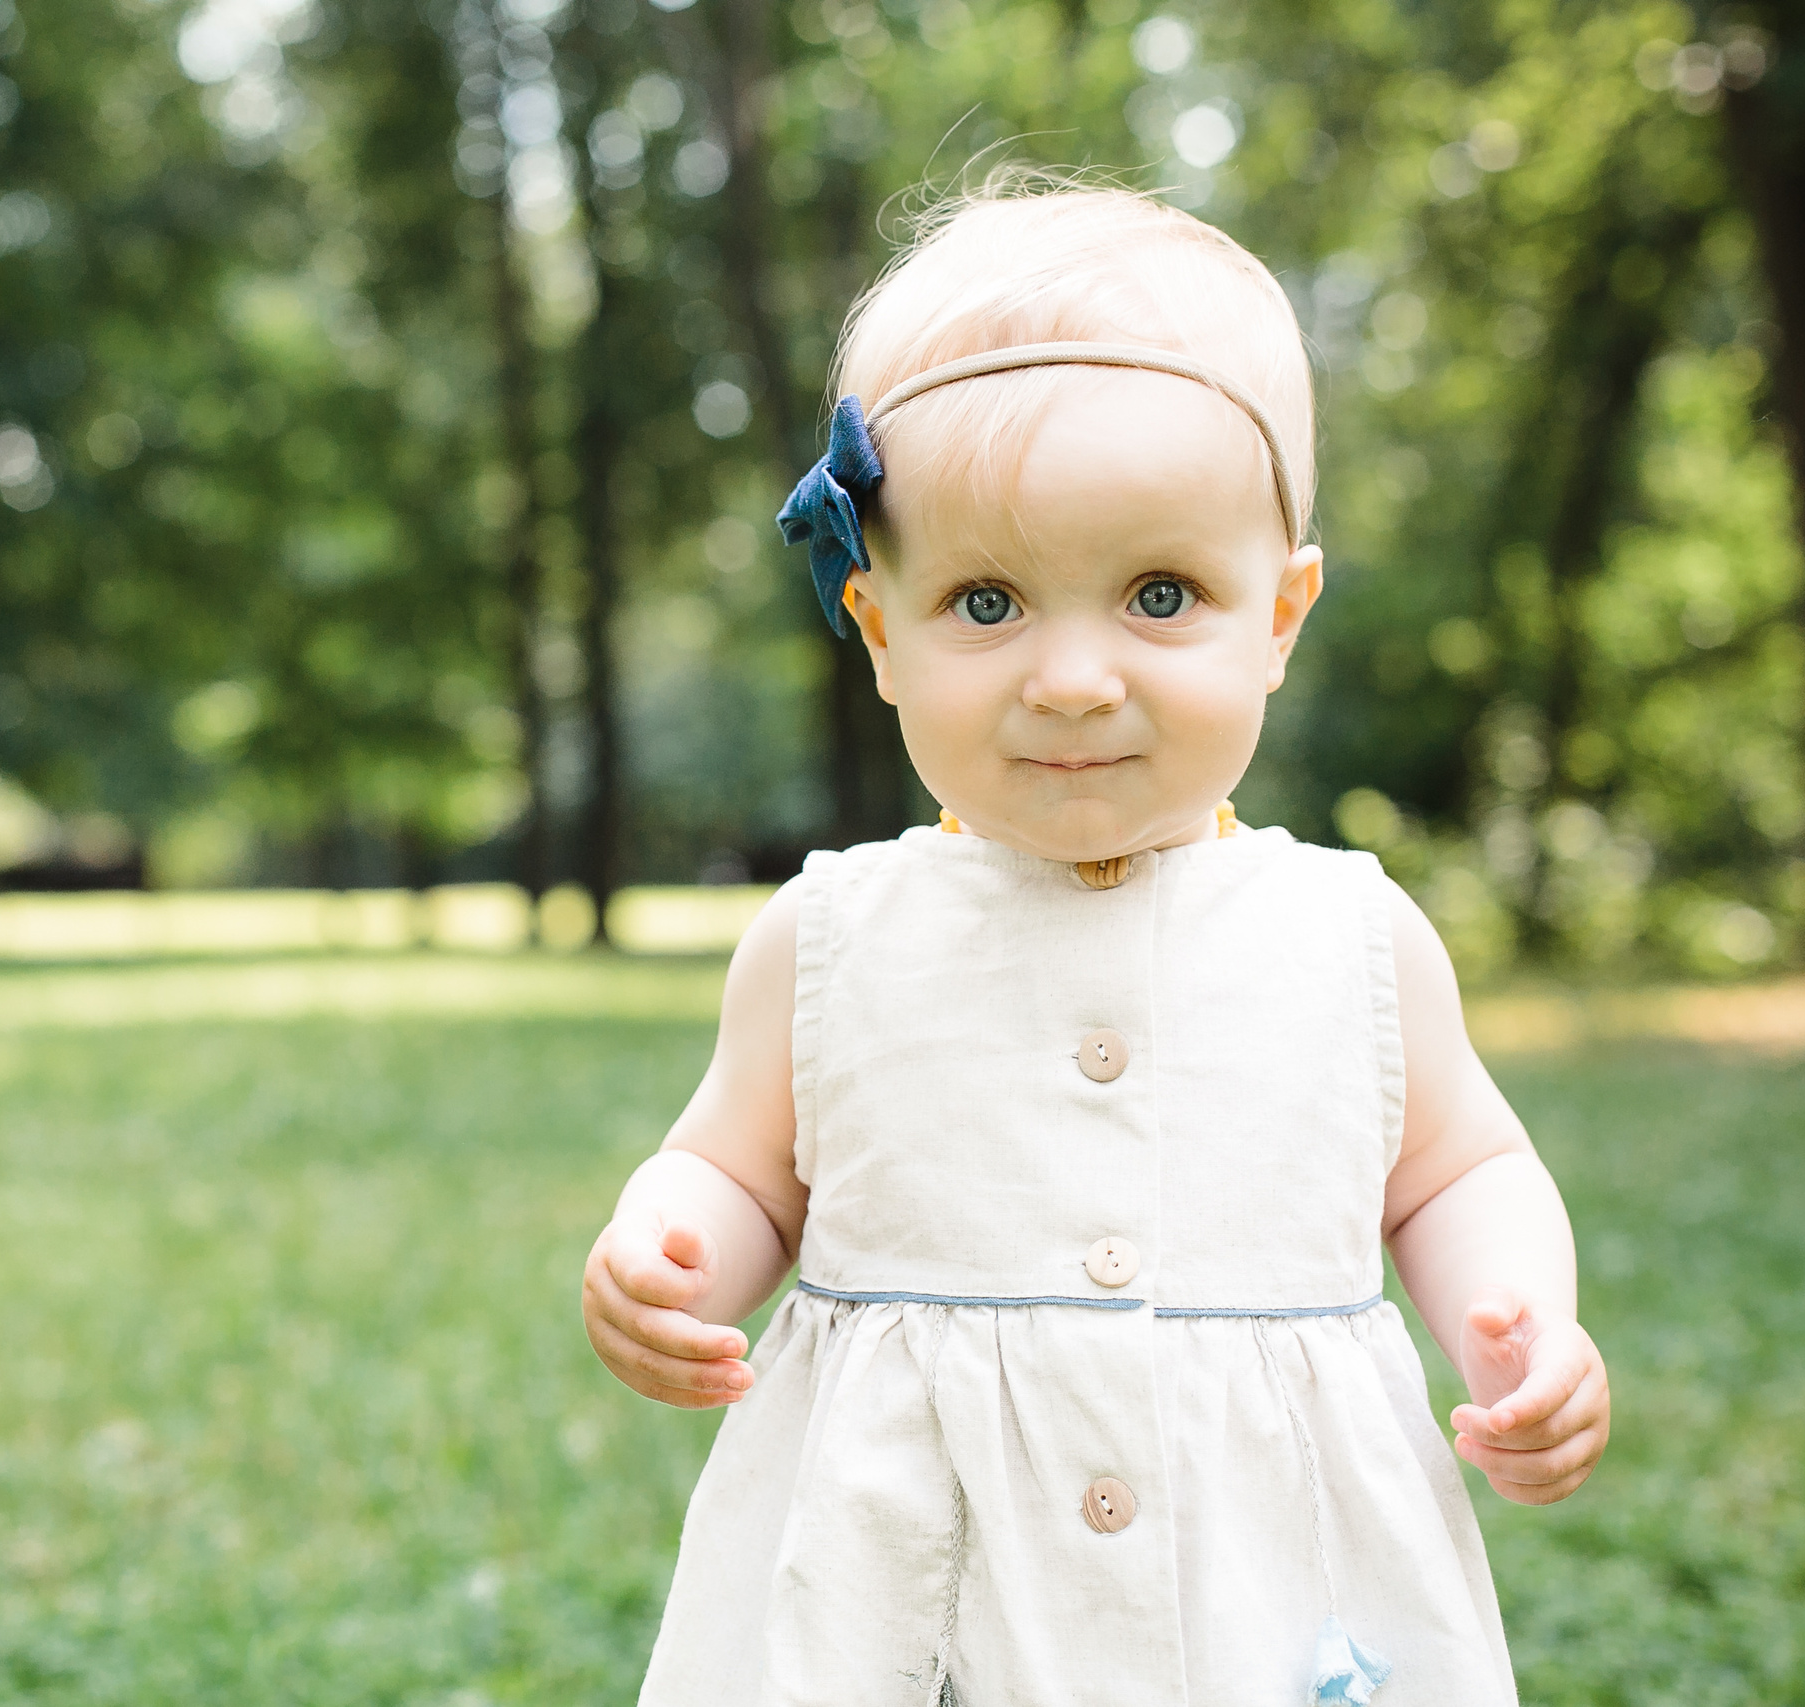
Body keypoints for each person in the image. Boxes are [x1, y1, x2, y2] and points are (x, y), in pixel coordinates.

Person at [578, 179, 1611, 1707]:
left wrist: (1516, 1324)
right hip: (909, 1578)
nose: (1070, 678)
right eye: (986, 601)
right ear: (877, 626)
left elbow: (1460, 1168)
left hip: (1265, 1580)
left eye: (1160, 595)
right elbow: (740, 1165)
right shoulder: (831, 934)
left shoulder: (1351, 934)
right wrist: (671, 1250)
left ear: (1281, 613)